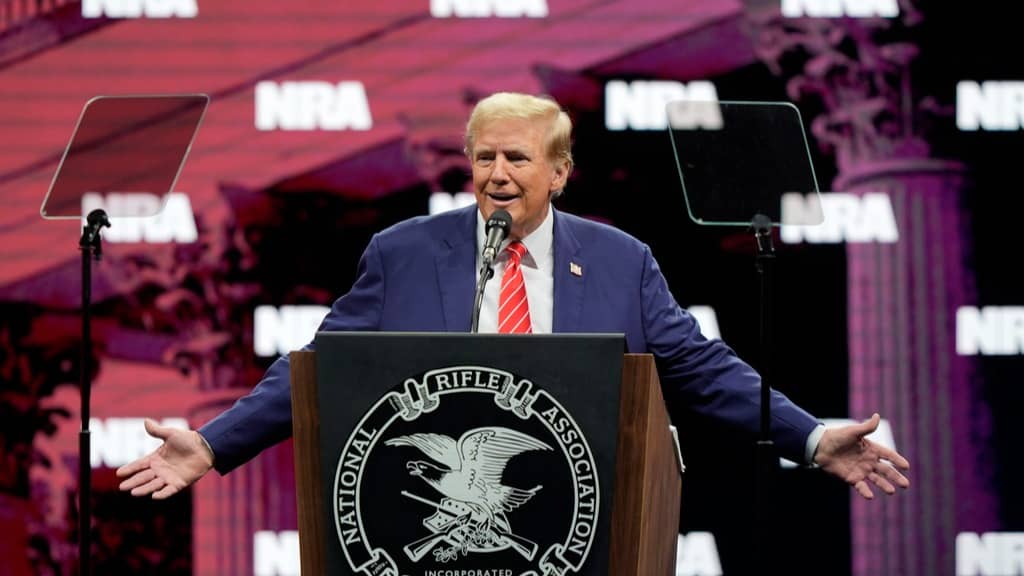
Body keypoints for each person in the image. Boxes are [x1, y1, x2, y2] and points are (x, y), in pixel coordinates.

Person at [117, 91, 910, 502]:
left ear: (560, 172)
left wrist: (811, 437)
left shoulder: (620, 261)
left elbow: (702, 370)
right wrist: (213, 445)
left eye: (518, 159)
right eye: (484, 158)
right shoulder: (403, 254)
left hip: (585, 518)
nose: (498, 175)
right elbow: (317, 369)